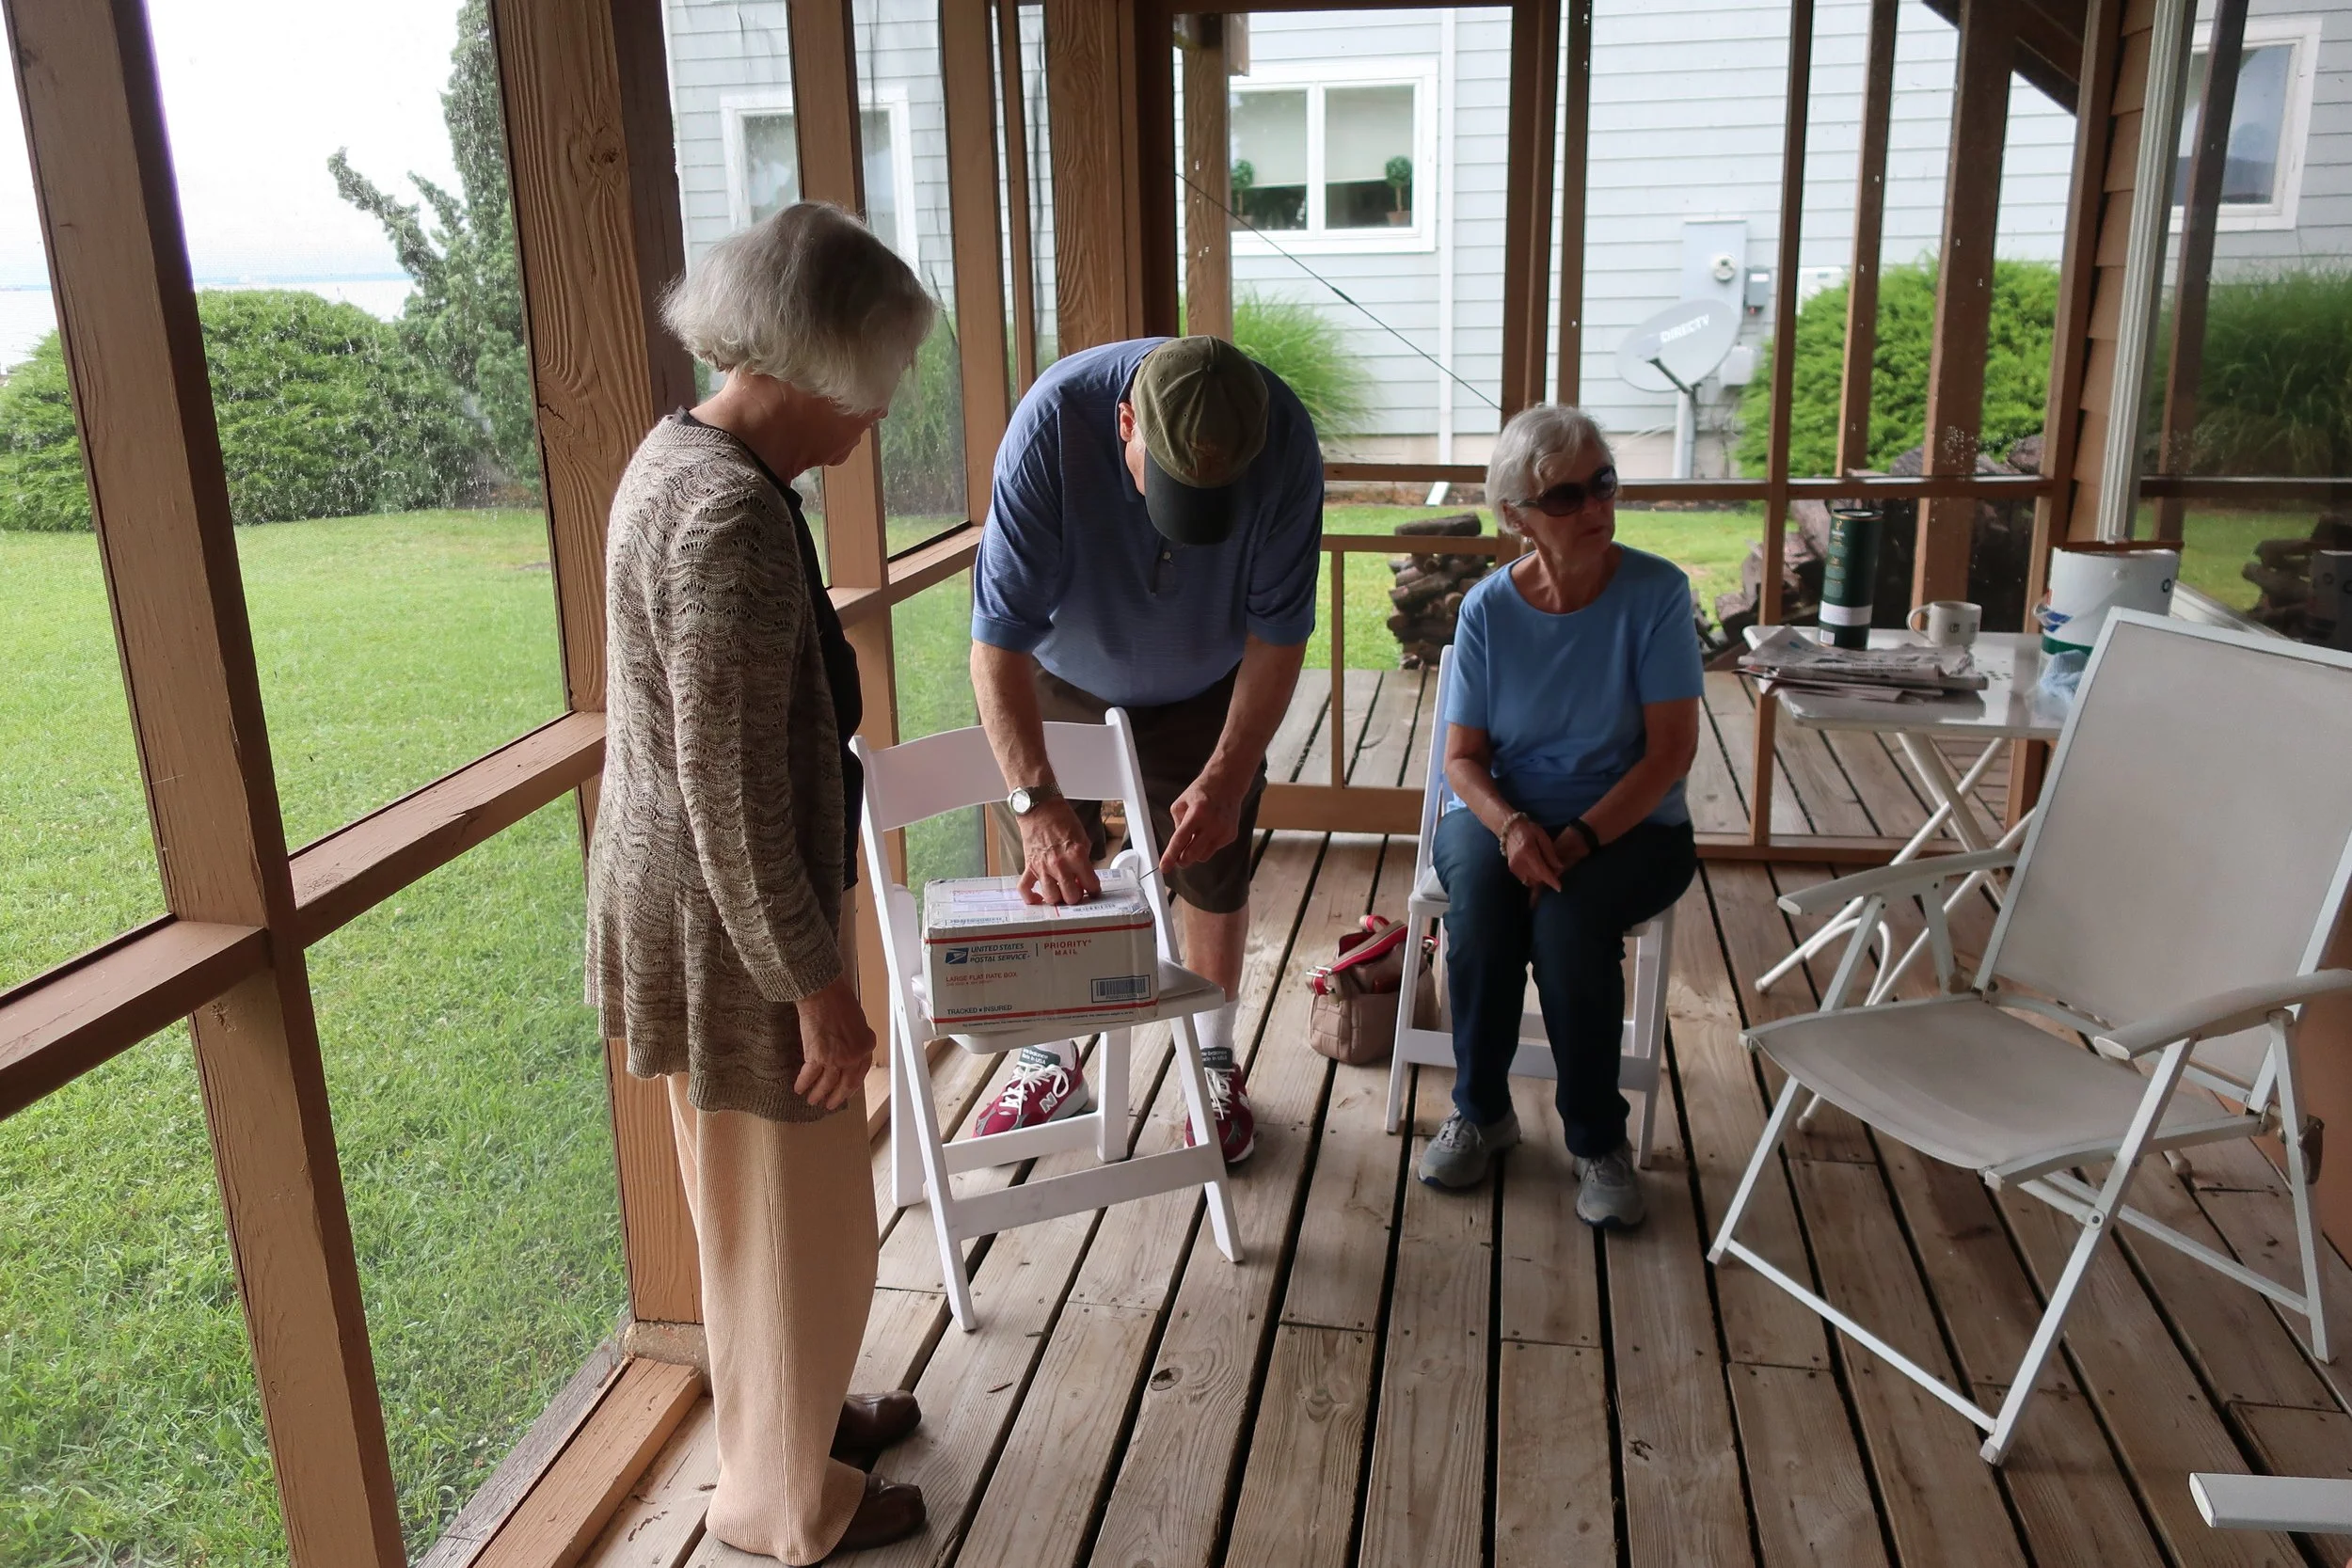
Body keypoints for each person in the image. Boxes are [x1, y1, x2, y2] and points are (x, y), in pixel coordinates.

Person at [586, 202, 930, 1563]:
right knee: (782, 1209)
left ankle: (798, 1419)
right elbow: (730, 799)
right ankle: (784, 1505)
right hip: (732, 928)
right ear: (814, 363)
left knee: (772, 1203)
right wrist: (819, 987)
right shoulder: (727, 518)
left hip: (697, 903)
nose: (886, 407)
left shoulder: (684, 456)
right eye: (883, 372)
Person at [968, 335, 1324, 1161]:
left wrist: (1229, 776)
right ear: (1124, 420)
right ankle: (1051, 1059)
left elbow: (1278, 637)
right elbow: (996, 645)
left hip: (1208, 676)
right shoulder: (1049, 430)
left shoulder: (1285, 442)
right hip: (1064, 667)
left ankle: (1212, 1061)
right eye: (1168, 488)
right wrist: (1033, 797)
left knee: (1212, 859)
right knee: (1052, 862)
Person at [1416, 404, 1701, 1229]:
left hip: (1635, 825)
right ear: (1517, 516)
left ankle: (1596, 1138)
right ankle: (1481, 1112)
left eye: (1603, 482)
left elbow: (1668, 754)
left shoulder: (1656, 593)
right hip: (1507, 810)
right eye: (1566, 495)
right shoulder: (1488, 611)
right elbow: (1462, 760)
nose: (1596, 506)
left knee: (1570, 929)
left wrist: (1574, 842)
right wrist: (1511, 828)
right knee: (1478, 910)